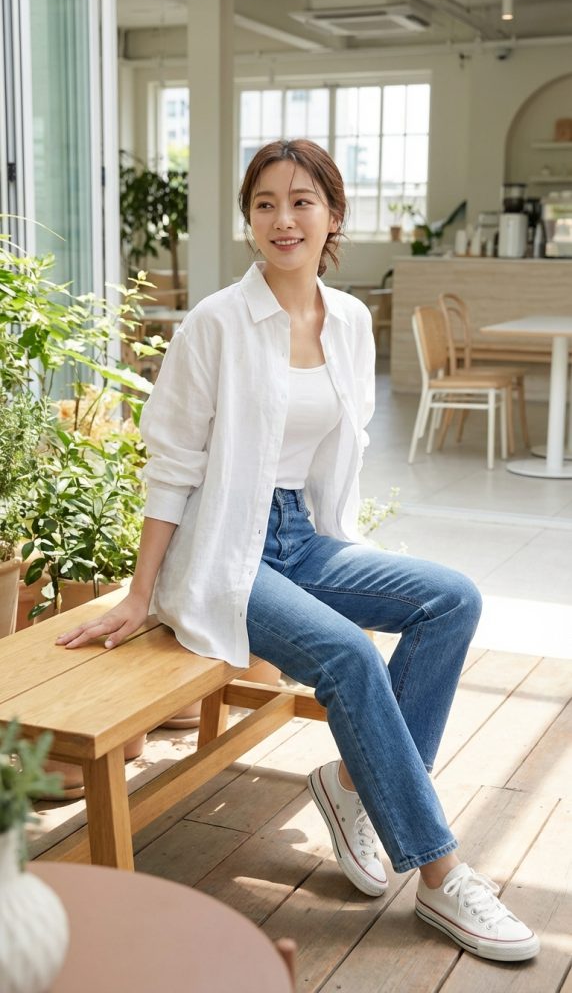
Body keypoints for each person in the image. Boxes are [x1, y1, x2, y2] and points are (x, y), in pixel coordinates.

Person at [57, 139, 538, 963]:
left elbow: (330, 458)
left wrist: (329, 547)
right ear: (249, 221)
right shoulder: (216, 322)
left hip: (300, 540)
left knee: (452, 597)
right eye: (266, 204)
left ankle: (355, 786)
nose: (284, 218)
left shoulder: (348, 321)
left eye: (303, 200)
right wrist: (141, 594)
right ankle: (441, 874)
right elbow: (172, 467)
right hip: (218, 551)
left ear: (333, 216)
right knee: (349, 655)